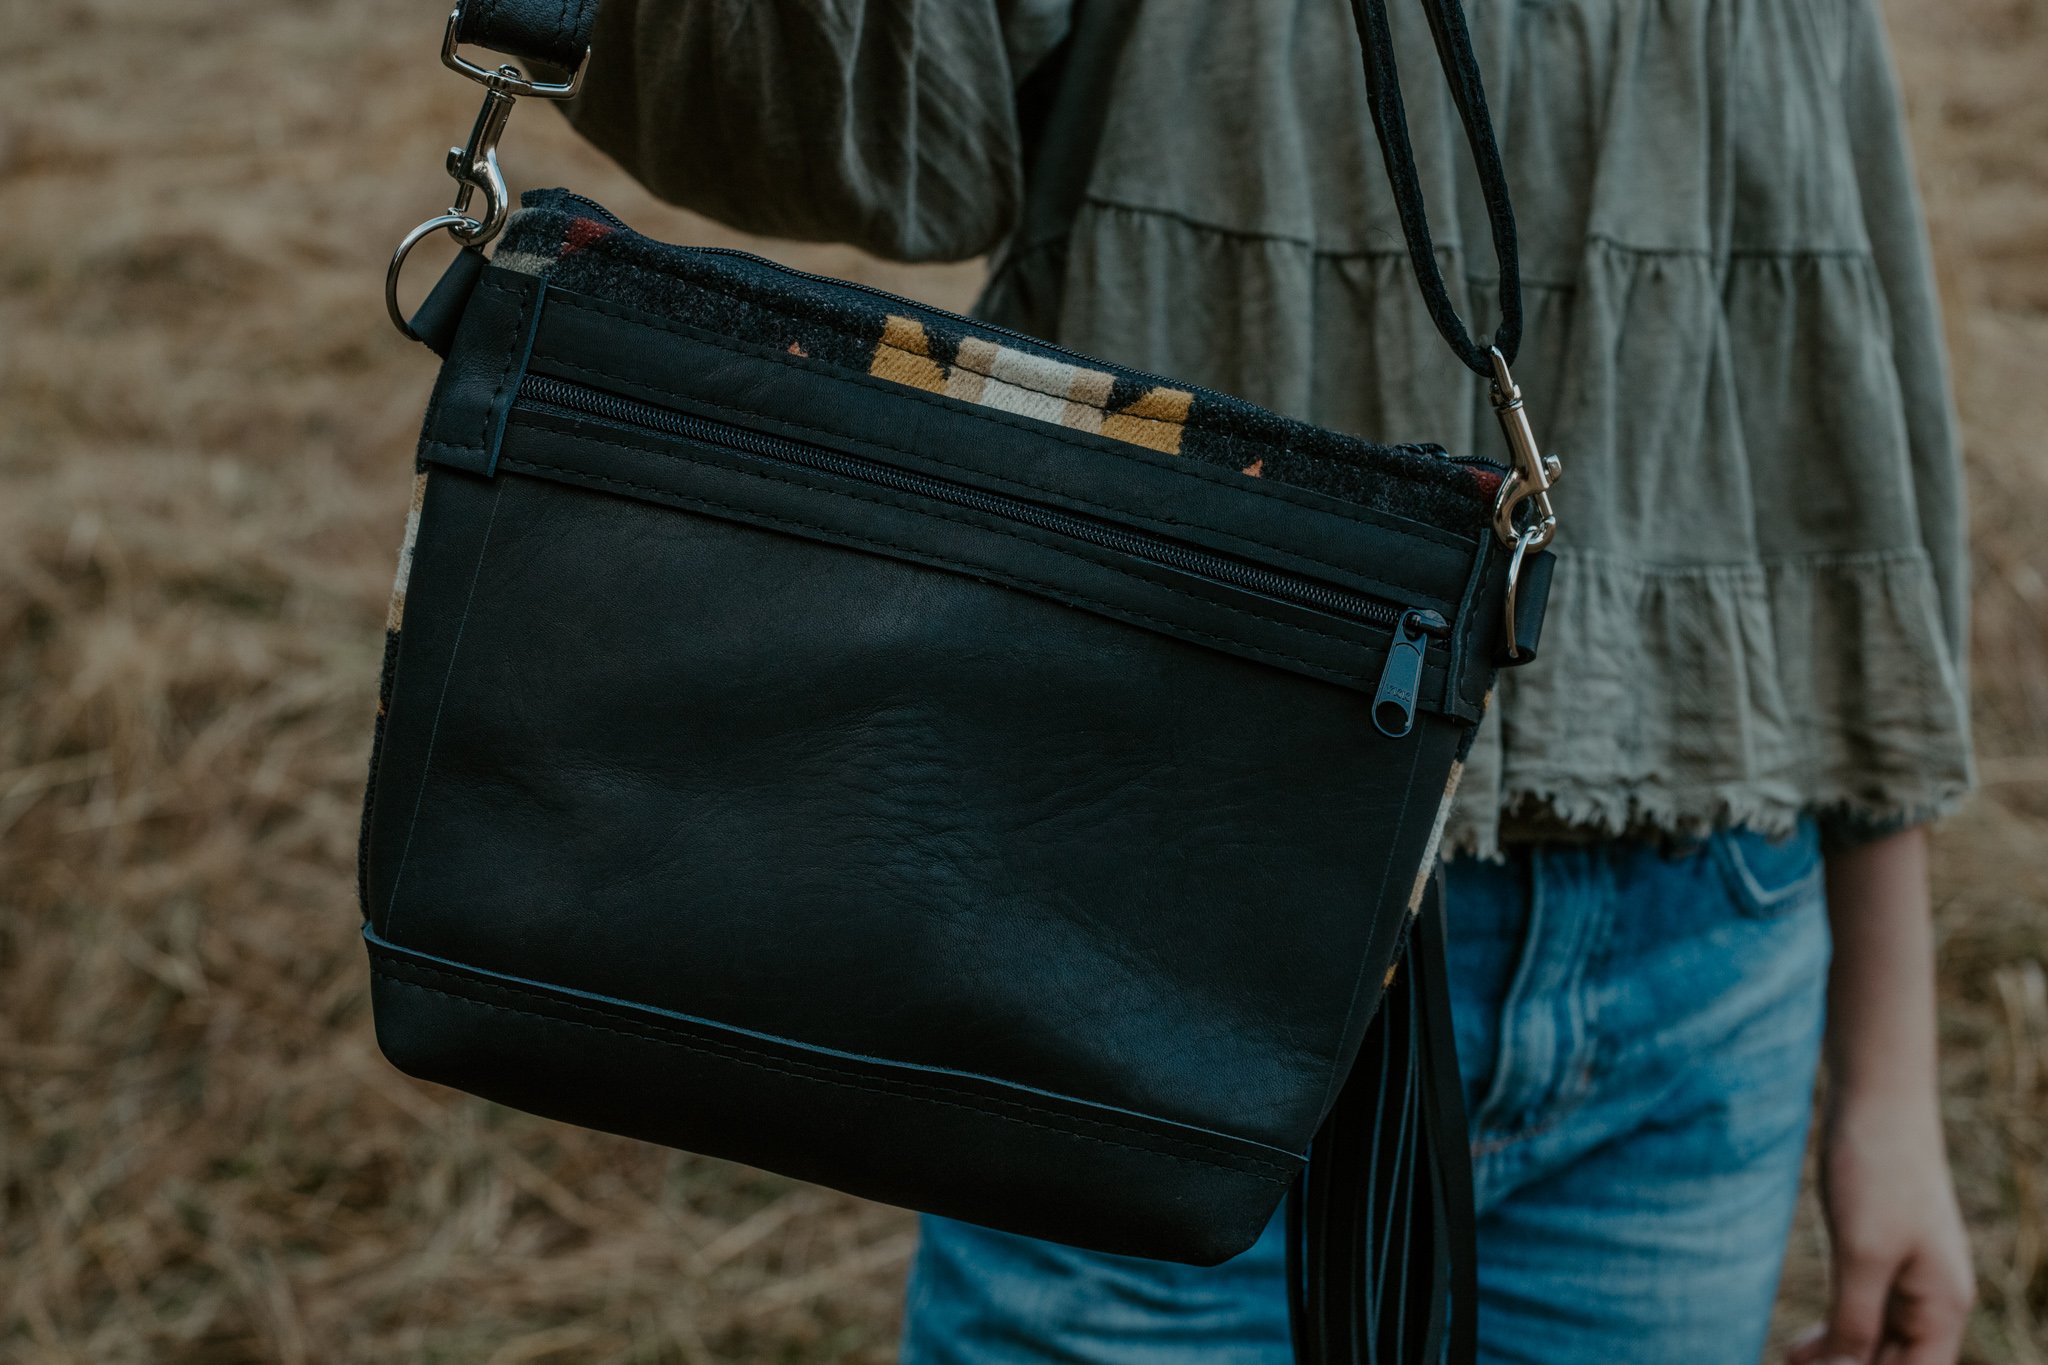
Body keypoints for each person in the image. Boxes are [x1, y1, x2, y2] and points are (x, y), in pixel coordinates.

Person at [553, 1, 1979, 1360]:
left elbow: (1834, 435)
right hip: (1139, 927)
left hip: (1683, 983)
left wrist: (1891, 1086)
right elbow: (830, 136)